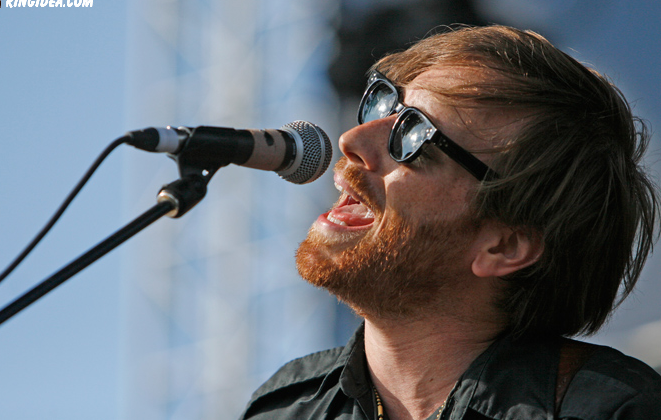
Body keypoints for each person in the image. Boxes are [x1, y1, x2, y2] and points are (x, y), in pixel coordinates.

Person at [238, 25, 661, 419]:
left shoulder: (611, 410)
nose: (352, 140)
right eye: (382, 103)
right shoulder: (282, 410)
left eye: (414, 138)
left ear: (503, 246)